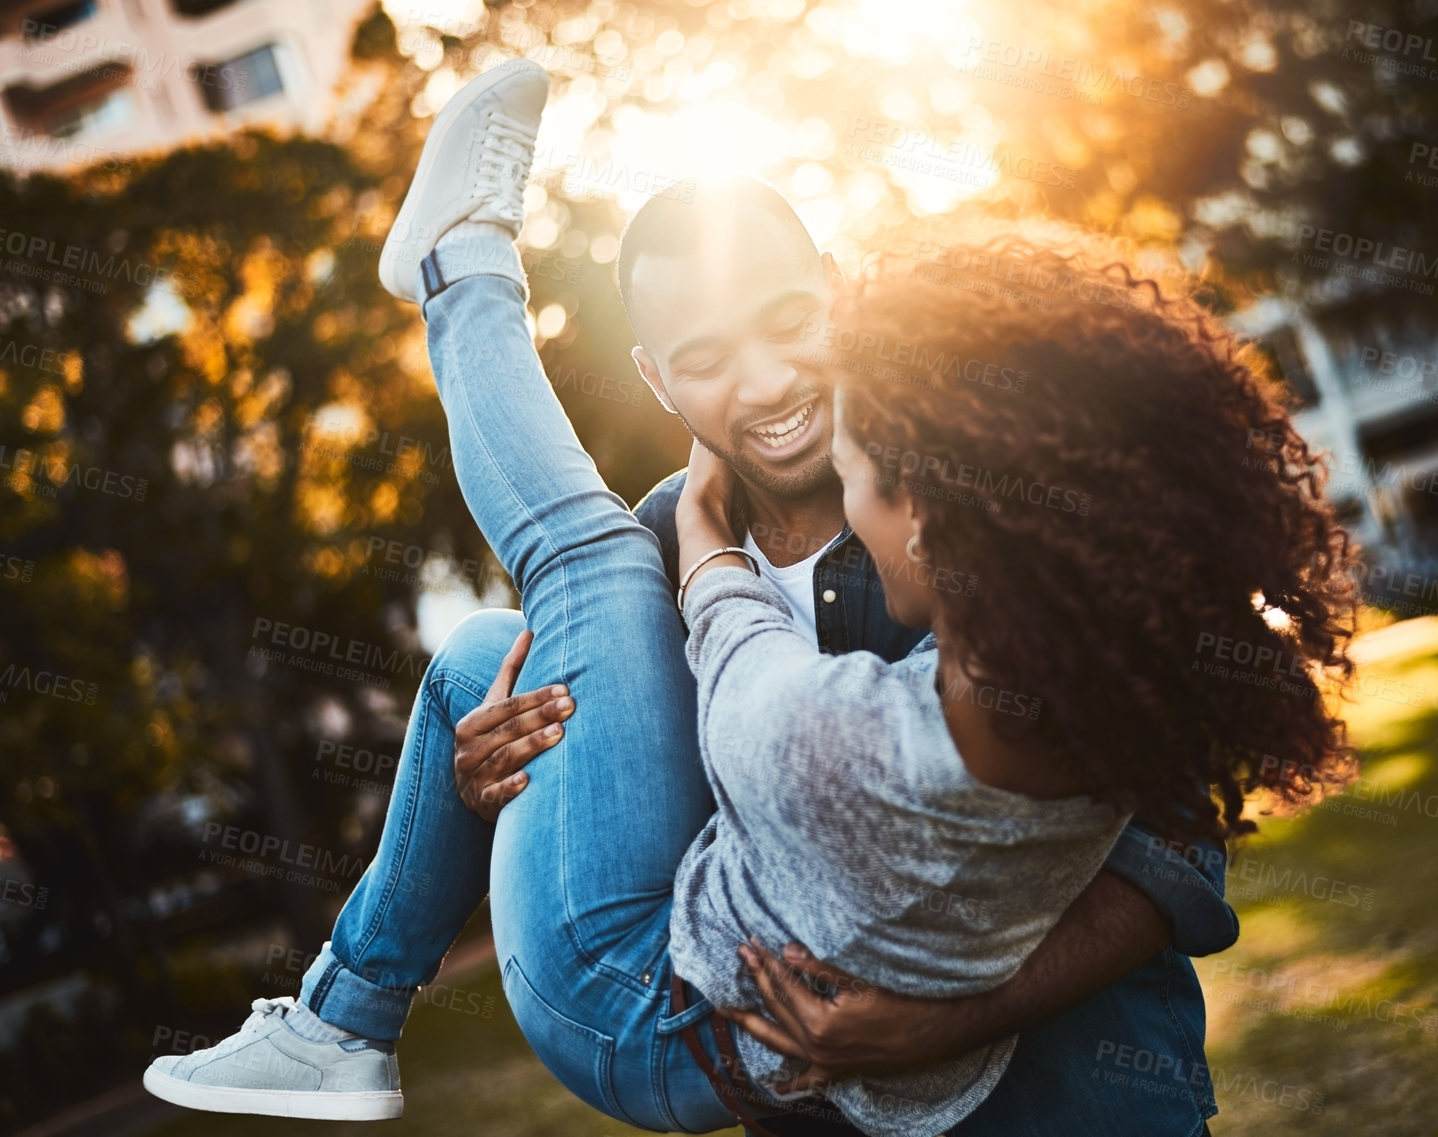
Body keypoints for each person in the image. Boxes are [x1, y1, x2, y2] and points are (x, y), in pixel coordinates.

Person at [143, 59, 1354, 1137]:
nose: (767, 381)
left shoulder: (1002, 510)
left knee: (568, 571)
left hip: (1074, 1105)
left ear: (837, 288)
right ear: (656, 378)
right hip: (795, 1106)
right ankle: (338, 1024)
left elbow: (1177, 836)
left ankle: (460, 271)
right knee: (486, 654)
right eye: (709, 357)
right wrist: (499, 790)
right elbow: (648, 833)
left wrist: (954, 1014)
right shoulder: (663, 541)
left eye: (788, 322)